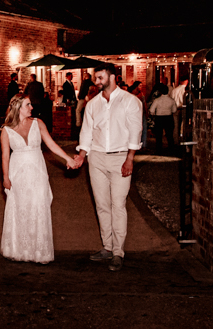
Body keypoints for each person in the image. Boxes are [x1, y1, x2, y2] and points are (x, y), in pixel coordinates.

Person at [73, 62, 143, 272]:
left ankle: (118, 252)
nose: (97, 82)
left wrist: (130, 158)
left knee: (118, 204)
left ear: (113, 77)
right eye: (96, 78)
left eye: (100, 78)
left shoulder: (130, 101)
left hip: (121, 157)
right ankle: (107, 247)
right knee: (102, 204)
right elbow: (86, 132)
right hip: (97, 158)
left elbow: (135, 131)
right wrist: (82, 156)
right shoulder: (93, 104)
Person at [0, 93, 78, 263]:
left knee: (39, 206)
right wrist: (6, 178)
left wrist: (68, 158)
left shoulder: (38, 123)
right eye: (28, 105)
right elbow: (5, 157)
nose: (32, 108)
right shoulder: (6, 131)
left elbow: (51, 144)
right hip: (17, 173)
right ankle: (20, 250)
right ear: (18, 108)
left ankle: (40, 252)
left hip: (37, 172)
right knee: (20, 208)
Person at [148, 83, 177, 154]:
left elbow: (151, 110)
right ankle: (171, 149)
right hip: (168, 117)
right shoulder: (171, 100)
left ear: (160, 92)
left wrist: (154, 114)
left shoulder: (157, 100)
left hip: (159, 118)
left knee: (158, 135)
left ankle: (159, 150)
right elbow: (174, 110)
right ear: (168, 91)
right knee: (169, 135)